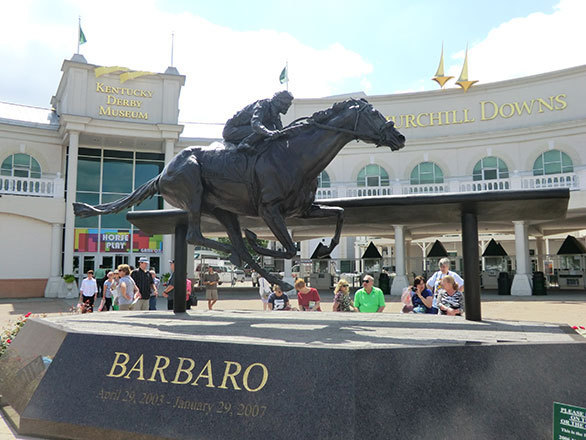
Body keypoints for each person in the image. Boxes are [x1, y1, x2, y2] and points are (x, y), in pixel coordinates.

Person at [222, 90, 294, 152]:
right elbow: (255, 124)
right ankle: (244, 143)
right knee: (269, 128)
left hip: (246, 130)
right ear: (278, 102)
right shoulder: (263, 105)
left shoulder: (276, 115)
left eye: (289, 104)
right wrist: (269, 132)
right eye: (286, 104)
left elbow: (280, 131)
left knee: (271, 128)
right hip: (231, 130)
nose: (288, 106)